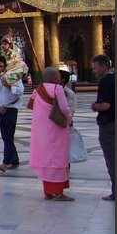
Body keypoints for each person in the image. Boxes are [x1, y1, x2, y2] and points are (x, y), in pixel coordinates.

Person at [29, 67, 73, 201]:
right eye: (58, 75)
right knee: (58, 157)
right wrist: (69, 119)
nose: (60, 78)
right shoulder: (57, 89)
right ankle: (59, 193)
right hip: (57, 128)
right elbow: (65, 108)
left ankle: (48, 191)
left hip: (41, 129)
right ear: (53, 77)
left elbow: (31, 105)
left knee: (46, 157)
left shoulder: (38, 90)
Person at [0, 55, 24, 172]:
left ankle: (5, 162)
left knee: (8, 136)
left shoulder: (11, 77)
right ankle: (14, 159)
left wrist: (8, 85)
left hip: (11, 110)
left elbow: (19, 91)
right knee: (5, 136)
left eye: (1, 66)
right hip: (1, 110)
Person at [91, 55, 115, 201]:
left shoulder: (105, 81)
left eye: (94, 67)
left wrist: (94, 106)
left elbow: (105, 105)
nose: (93, 70)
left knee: (112, 159)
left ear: (103, 67)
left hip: (109, 125)